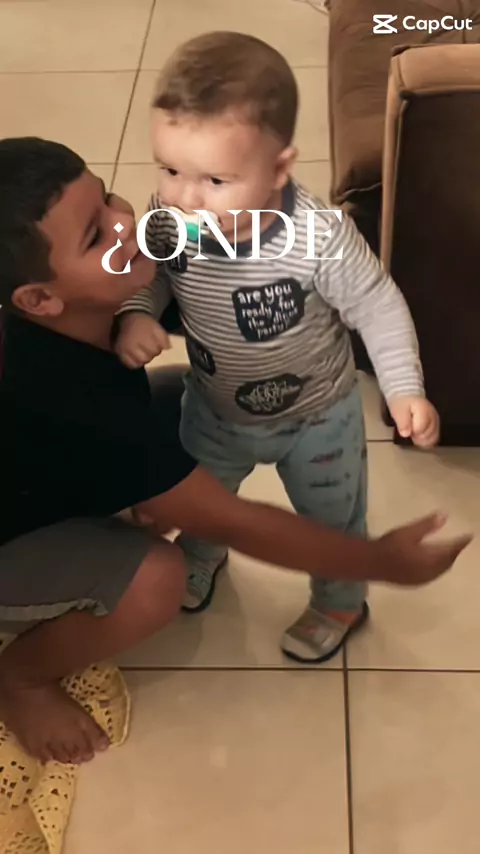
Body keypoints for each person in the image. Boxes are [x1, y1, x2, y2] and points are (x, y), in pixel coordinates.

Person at [0, 137, 469, 766]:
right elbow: (237, 522)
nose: (123, 223)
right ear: (38, 299)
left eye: (108, 197)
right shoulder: (76, 402)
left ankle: (128, 512)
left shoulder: (66, 315)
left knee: (180, 396)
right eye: (94, 235)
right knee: (157, 579)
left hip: (39, 473)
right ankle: (22, 677)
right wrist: (379, 560)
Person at [115, 31, 442, 663]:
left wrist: (404, 387)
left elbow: (377, 304)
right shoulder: (173, 216)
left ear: (280, 169)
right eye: (170, 169)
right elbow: (153, 273)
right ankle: (202, 556)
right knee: (205, 501)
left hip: (317, 420)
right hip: (213, 407)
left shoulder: (319, 237)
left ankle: (340, 600)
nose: (185, 196)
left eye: (216, 179)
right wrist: (135, 314)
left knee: (331, 520)